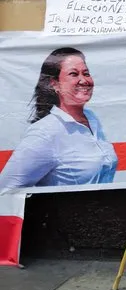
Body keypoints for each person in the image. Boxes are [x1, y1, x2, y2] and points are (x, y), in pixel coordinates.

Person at [0, 47, 117, 191]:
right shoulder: (45, 132)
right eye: (74, 74)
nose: (83, 80)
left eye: (86, 73)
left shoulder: (92, 118)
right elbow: (5, 189)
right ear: (54, 84)